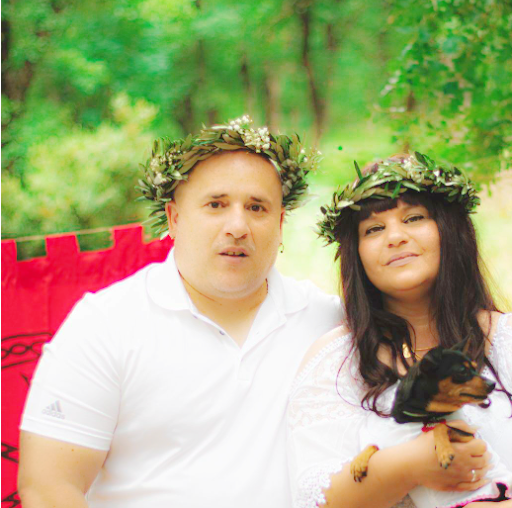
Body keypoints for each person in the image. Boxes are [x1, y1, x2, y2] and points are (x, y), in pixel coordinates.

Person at [18, 116, 341, 508]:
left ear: (280, 224)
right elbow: (48, 487)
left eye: (257, 207)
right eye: (216, 205)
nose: (237, 226)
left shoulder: (328, 324)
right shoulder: (105, 324)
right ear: (174, 218)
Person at [287, 152, 512, 508]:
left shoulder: (506, 341)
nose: (395, 237)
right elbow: (316, 496)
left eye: (414, 218)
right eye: (374, 229)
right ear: (356, 253)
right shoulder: (335, 362)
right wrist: (411, 465)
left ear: (451, 230)